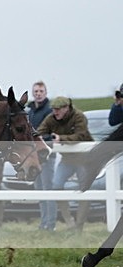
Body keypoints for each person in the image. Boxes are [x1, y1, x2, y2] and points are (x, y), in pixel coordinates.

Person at [38, 96, 93, 232]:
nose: (55, 112)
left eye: (57, 109)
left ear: (66, 108)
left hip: (84, 159)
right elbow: (39, 131)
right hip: (67, 160)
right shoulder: (51, 118)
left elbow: (80, 135)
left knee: (84, 190)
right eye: (53, 109)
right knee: (56, 186)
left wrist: (60, 138)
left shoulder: (79, 117)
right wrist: (44, 138)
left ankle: (79, 226)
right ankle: (69, 221)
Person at [26, 81, 56, 231]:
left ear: (45, 93)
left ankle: (50, 224)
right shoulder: (30, 110)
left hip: (46, 155)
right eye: (36, 91)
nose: (38, 93)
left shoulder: (49, 111)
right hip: (33, 156)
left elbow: (48, 134)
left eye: (41, 91)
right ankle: (43, 222)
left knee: (47, 189)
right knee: (39, 189)